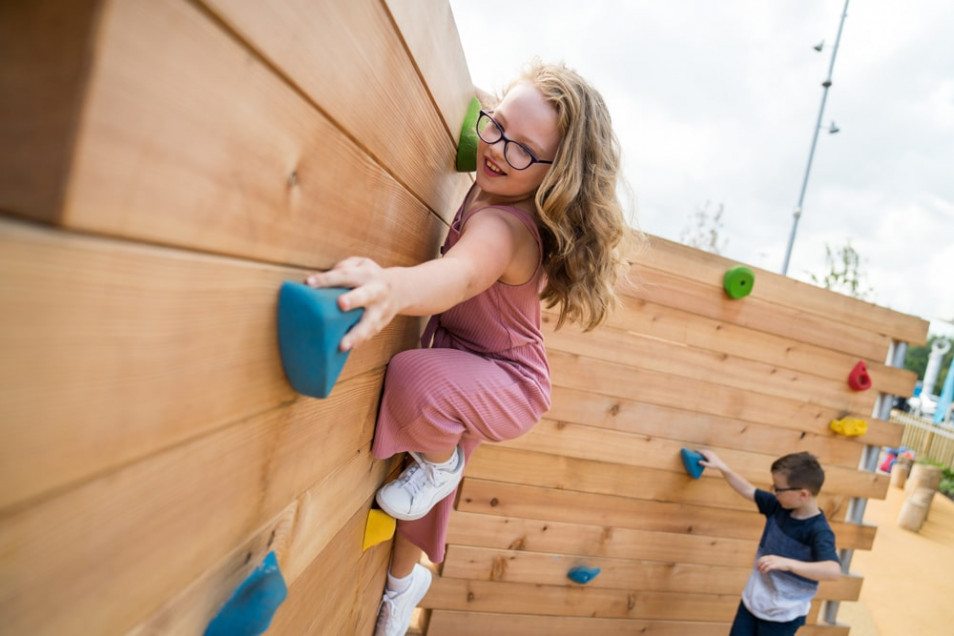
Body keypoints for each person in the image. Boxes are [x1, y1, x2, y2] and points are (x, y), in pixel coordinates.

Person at [305, 60, 633, 636]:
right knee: (411, 498)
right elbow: (473, 99)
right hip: (466, 360)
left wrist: (390, 285)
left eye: (525, 150)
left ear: (557, 176)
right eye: (497, 125)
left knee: (412, 380)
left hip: (507, 382)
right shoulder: (495, 154)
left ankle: (443, 464)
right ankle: (403, 590)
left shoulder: (506, 230)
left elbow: (458, 276)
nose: (501, 149)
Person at [698, 450, 842, 636]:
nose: (774, 491)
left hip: (783, 617)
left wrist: (788, 564)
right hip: (752, 605)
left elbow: (833, 571)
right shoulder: (778, 507)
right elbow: (748, 490)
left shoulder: (819, 531)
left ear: (803, 494)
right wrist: (723, 468)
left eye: (778, 488)